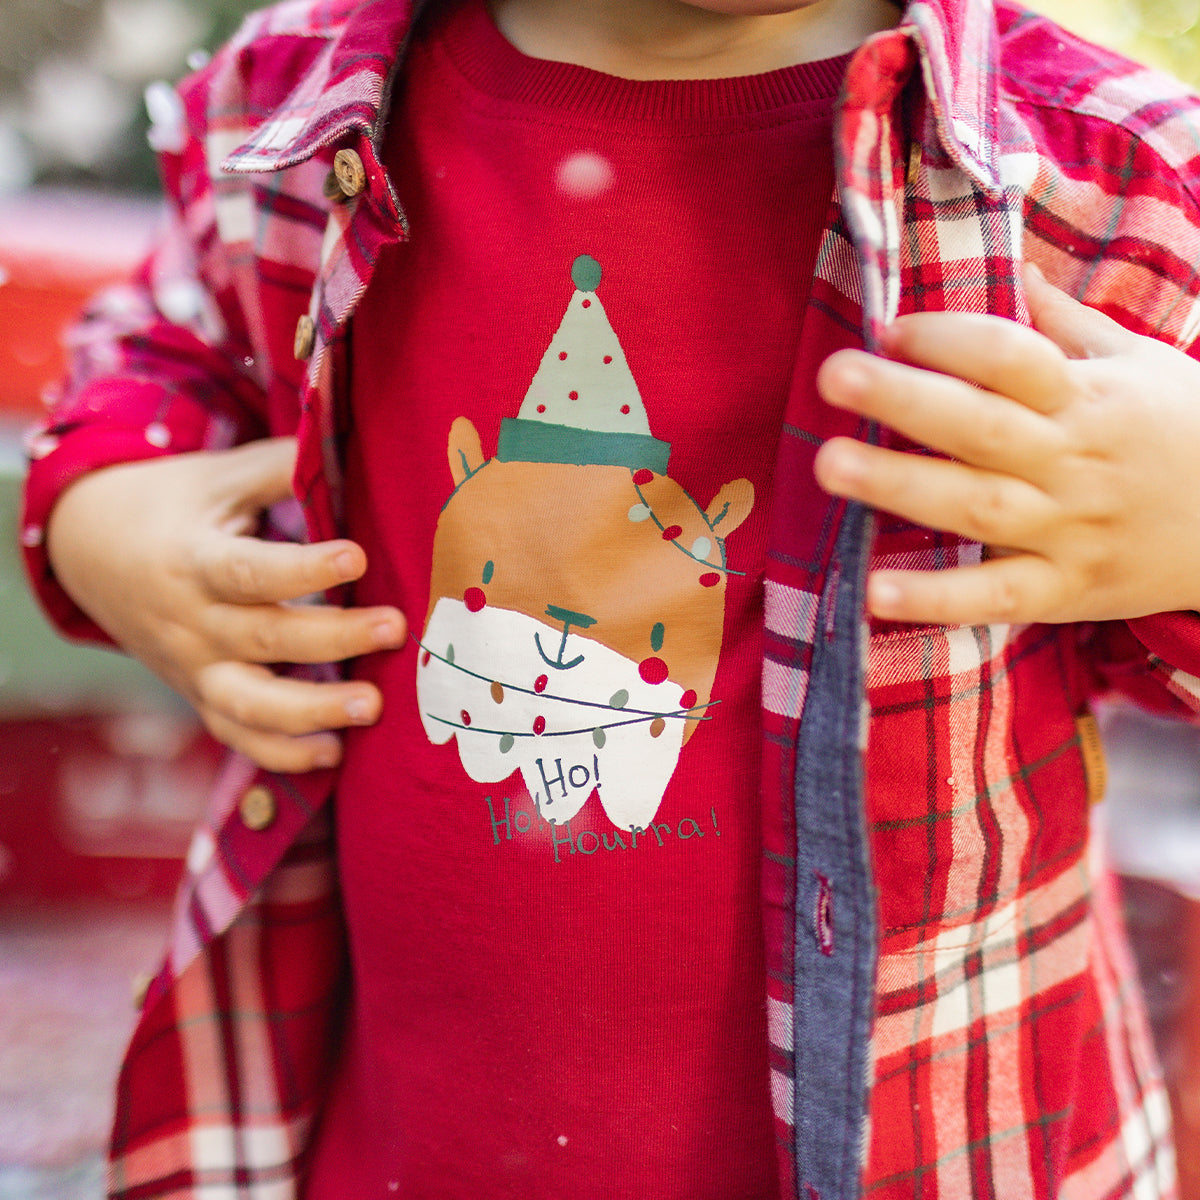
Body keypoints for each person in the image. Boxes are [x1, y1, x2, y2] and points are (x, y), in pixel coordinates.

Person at [21, 0, 1200, 1195]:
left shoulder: (1100, 175)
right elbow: (169, 344)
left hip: (940, 1141)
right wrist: (105, 512)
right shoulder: (299, 96)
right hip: (383, 1137)